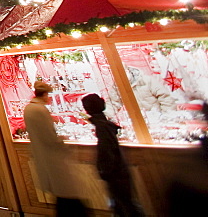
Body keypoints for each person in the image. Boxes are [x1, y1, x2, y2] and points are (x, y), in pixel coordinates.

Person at [23, 80, 86, 216]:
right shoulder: (39, 110)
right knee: (69, 201)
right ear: (45, 94)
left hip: (47, 161)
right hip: (55, 162)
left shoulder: (29, 109)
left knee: (63, 201)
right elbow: (50, 138)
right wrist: (63, 141)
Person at [81, 93, 142, 216]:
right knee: (124, 204)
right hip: (118, 172)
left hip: (115, 173)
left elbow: (107, 151)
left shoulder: (102, 127)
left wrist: (104, 171)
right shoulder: (105, 125)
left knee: (125, 205)